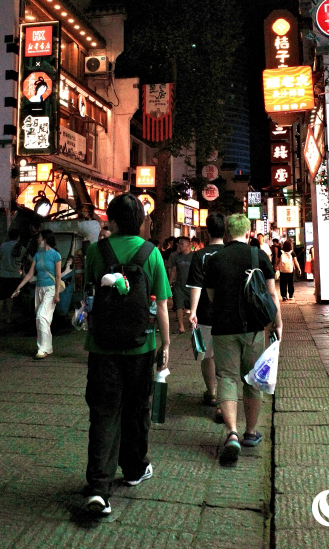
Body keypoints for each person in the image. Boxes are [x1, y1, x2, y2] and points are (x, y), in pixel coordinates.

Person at [81, 193, 171, 517]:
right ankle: (134, 470)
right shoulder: (152, 254)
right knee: (136, 408)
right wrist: (167, 345)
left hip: (101, 346)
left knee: (104, 412)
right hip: (141, 346)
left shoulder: (96, 250)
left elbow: (89, 292)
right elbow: (161, 305)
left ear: (113, 221)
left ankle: (98, 489)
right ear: (142, 222)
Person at [204, 213, 282, 465]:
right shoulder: (259, 256)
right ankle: (250, 432)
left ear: (226, 233)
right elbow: (271, 293)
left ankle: (232, 434)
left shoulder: (215, 259)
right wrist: (277, 323)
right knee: (252, 378)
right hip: (254, 328)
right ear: (248, 233)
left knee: (226, 377)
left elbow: (212, 295)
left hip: (224, 328)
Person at [188, 213, 226, 423]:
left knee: (208, 355)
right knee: (226, 358)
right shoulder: (230, 253)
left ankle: (211, 392)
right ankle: (223, 401)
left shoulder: (200, 255)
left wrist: (192, 311)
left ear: (208, 230)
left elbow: (196, 285)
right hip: (228, 314)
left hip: (205, 312)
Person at [11, 229, 62, 358]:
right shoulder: (37, 255)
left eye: (39, 237)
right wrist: (19, 287)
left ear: (45, 239)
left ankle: (42, 349)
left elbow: (58, 276)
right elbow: (30, 274)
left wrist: (57, 294)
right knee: (43, 320)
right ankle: (47, 347)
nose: (38, 239)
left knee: (41, 316)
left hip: (50, 289)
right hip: (38, 289)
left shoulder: (56, 255)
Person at [0, 228, 25, 324]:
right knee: (10, 298)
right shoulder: (22, 248)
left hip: (3, 276)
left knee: (0, 297)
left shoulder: (3, 246)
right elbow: (28, 259)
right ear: (18, 237)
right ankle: (8, 318)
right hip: (15, 277)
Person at [169, 235, 193, 333]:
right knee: (179, 305)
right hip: (179, 285)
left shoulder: (194, 256)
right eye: (179, 244)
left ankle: (192, 324)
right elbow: (173, 271)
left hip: (191, 285)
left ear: (189, 245)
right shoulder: (176, 256)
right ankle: (181, 326)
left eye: (182, 244)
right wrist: (169, 284)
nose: (180, 246)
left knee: (192, 306)